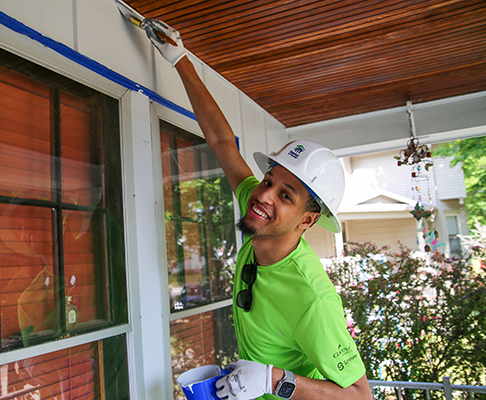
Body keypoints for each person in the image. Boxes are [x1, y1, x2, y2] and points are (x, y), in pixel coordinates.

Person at [143, 19, 372, 400]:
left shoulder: (311, 299)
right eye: (269, 182)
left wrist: (276, 380)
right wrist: (180, 58)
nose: (264, 196)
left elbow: (360, 396)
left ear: (307, 219)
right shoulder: (262, 216)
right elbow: (221, 141)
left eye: (286, 196)